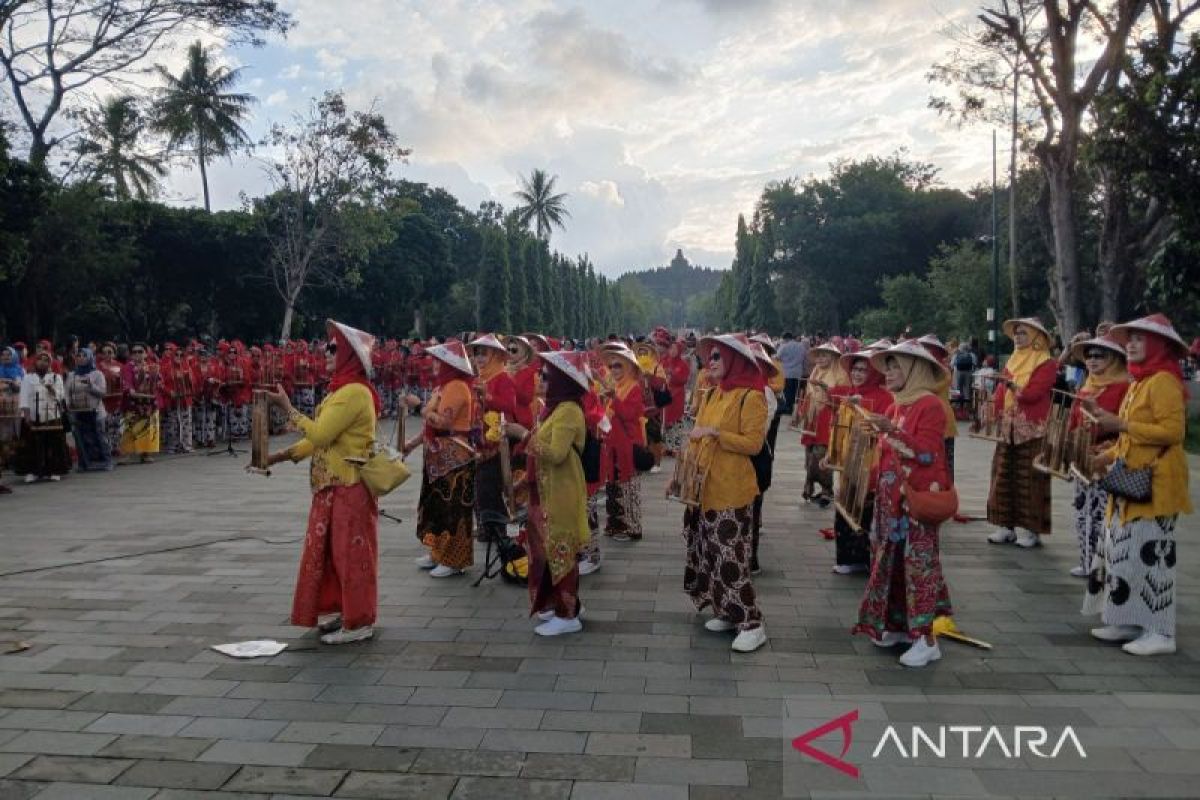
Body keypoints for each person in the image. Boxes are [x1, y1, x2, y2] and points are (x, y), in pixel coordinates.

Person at [262, 321, 381, 645]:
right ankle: (347, 612)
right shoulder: (341, 390)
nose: (325, 352)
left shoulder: (354, 392)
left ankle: (359, 623)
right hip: (333, 487)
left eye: (333, 348)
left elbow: (320, 434)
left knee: (350, 556)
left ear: (348, 356)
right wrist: (279, 457)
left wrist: (288, 409)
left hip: (349, 486)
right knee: (334, 555)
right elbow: (321, 442)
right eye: (327, 347)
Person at [1084, 314, 1192, 656]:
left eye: (1139, 339)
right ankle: (1129, 619)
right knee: (1124, 554)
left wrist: (1122, 425)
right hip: (1132, 480)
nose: (1130, 344)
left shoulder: (1163, 381)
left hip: (1156, 485)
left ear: (1158, 345)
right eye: (1129, 338)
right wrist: (1107, 455)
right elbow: (1133, 438)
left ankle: (1161, 632)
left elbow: (1173, 433)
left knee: (1152, 558)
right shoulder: (1140, 382)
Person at [852, 341, 953, 667]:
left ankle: (926, 638)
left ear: (914, 371)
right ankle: (897, 626)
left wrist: (891, 431)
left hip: (915, 503)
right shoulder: (899, 405)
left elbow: (926, 453)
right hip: (890, 504)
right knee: (892, 565)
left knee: (918, 568)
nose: (887, 373)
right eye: (889, 366)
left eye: (895, 367)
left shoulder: (930, 405)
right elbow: (886, 454)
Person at [681, 333, 769, 653]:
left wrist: (717, 433)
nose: (710, 362)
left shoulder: (751, 396)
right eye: (709, 356)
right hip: (706, 485)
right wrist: (682, 477)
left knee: (731, 556)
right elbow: (697, 437)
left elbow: (753, 444)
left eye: (717, 356)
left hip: (733, 487)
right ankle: (726, 611)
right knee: (711, 553)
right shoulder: (713, 394)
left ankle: (751, 622)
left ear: (734, 360)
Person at [522, 349, 590, 636]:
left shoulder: (569, 411)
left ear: (562, 382)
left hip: (562, 491)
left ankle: (568, 614)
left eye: (548, 377)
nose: (542, 381)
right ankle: (556, 604)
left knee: (562, 549)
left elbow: (557, 453)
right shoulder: (553, 408)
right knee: (546, 550)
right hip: (546, 490)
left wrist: (523, 435)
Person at [406, 340, 478, 578]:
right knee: (437, 507)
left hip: (455, 457)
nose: (434, 364)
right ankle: (438, 553)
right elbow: (430, 421)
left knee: (453, 509)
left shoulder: (457, 387)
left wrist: (419, 409)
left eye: (440, 360)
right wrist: (411, 445)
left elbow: (443, 422)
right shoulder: (443, 387)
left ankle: (454, 559)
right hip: (439, 457)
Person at [985, 318, 1058, 548]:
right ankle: (1005, 526)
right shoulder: (1013, 360)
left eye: (1024, 333)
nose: (1018, 337)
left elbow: (1034, 394)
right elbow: (1000, 391)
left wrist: (1013, 387)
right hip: (1009, 428)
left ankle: (1032, 530)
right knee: (1003, 474)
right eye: (1016, 333)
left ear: (1037, 337)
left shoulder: (1046, 362)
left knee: (1031, 478)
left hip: (1033, 429)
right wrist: (992, 410)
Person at [1066, 333, 1129, 579]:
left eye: (1099, 355)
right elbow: (1074, 417)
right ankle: (1086, 560)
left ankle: (1103, 565)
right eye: (1089, 355)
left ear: (1114, 358)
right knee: (1083, 511)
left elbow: (1122, 423)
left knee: (1105, 513)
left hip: (1108, 459)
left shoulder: (1124, 386)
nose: (1092, 360)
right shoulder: (1087, 385)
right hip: (1083, 456)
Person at [826, 348, 893, 575]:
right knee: (845, 509)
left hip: (869, 463)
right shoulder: (850, 396)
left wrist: (860, 405)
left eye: (864, 370)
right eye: (855, 368)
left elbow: (882, 431)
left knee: (863, 511)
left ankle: (863, 559)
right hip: (847, 461)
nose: (857, 373)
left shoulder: (884, 398)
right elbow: (839, 429)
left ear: (874, 374)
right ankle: (847, 559)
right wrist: (831, 455)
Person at [469, 334, 519, 547]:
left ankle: (497, 529)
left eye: (484, 354)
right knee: (479, 485)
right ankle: (486, 528)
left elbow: (510, 407)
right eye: (477, 353)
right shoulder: (478, 378)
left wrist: (487, 396)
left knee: (489, 485)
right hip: (479, 438)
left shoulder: (503, 378)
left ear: (496, 356)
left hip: (498, 442)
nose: (479, 358)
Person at [599, 343, 646, 542]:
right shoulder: (617, 388)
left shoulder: (634, 388)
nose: (614, 370)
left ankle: (632, 527)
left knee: (628, 487)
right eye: (611, 367)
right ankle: (617, 525)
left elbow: (628, 415)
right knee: (615, 486)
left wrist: (613, 400)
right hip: (614, 446)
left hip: (628, 446)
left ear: (627, 366)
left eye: (618, 365)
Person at [797, 340, 847, 508]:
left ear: (833, 357)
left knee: (822, 454)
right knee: (809, 454)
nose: (820, 359)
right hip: (812, 419)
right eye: (818, 355)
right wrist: (801, 412)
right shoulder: (815, 372)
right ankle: (809, 485)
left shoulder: (841, 375)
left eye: (825, 355)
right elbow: (809, 394)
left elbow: (843, 398)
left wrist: (827, 390)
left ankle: (826, 490)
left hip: (827, 418)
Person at [16, 352, 71, 482]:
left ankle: (54, 470)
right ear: (35, 362)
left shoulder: (56, 377)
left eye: (46, 360)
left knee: (53, 443)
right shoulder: (28, 378)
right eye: (40, 360)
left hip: (52, 415)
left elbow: (61, 396)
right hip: (34, 415)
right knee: (33, 444)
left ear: (50, 363)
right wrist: (26, 414)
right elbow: (24, 397)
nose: (42, 362)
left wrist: (51, 389)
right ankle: (33, 471)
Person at [64, 348, 112, 472]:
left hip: (95, 410)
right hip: (78, 411)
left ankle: (105, 462)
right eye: (78, 355)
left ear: (90, 357)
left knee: (99, 436)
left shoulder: (97, 374)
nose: (80, 358)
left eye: (83, 355)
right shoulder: (72, 375)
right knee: (80, 437)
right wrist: (68, 405)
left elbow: (102, 392)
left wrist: (91, 386)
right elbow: (66, 393)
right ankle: (84, 463)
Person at [120, 343, 161, 464]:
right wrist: (131, 390)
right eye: (134, 352)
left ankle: (146, 453)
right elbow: (126, 382)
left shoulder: (152, 366)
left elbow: (159, 382)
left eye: (140, 351)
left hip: (149, 403)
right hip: (133, 402)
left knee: (148, 429)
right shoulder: (128, 367)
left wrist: (156, 388)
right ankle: (127, 455)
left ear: (146, 353)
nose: (137, 354)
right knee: (130, 428)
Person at [658, 331, 692, 457]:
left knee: (676, 422)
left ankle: (676, 448)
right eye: (671, 348)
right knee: (666, 421)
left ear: (679, 350)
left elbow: (684, 380)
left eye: (674, 348)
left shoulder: (683, 364)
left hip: (677, 396)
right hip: (667, 394)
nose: (672, 350)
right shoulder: (665, 361)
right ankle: (666, 447)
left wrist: (673, 374)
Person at [0, 348, 25, 492]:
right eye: (3, 354)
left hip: (13, 411)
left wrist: (12, 384)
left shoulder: (20, 371)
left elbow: (20, 387)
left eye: (8, 354)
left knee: (8, 443)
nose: (5, 357)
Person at [777, 332, 807, 416]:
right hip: (798, 373)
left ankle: (788, 408)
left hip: (787, 372)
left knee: (787, 391)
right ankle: (792, 408)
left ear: (786, 339)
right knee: (795, 392)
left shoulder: (784, 346)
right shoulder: (801, 346)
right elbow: (805, 359)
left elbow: (777, 357)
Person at [951, 342, 976, 412]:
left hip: (957, 372)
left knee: (956, 388)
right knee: (967, 389)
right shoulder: (972, 355)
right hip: (968, 372)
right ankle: (966, 406)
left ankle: (957, 405)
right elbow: (974, 364)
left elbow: (952, 365)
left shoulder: (956, 355)